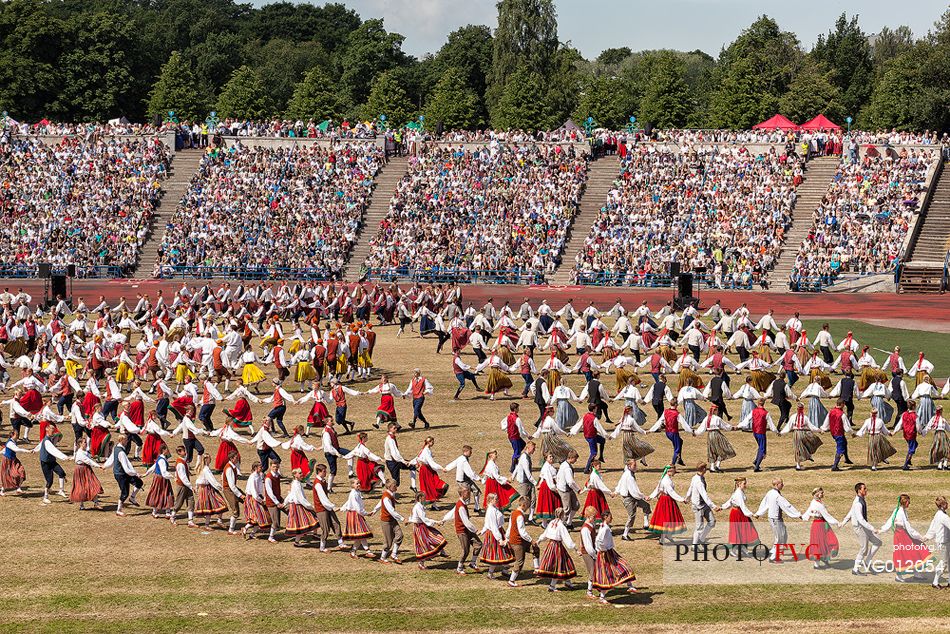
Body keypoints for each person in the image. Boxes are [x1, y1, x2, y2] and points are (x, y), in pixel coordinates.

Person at [879, 493, 930, 582]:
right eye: (908, 502)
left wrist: (881, 530)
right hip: (901, 536)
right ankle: (899, 576)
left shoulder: (899, 510)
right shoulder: (901, 512)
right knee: (902, 554)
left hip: (903, 534)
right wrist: (919, 536)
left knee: (913, 552)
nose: (909, 504)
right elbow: (907, 527)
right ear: (905, 502)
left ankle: (916, 573)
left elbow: (890, 521)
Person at [592, 510, 637, 603]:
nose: (611, 518)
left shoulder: (604, 526)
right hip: (605, 553)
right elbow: (599, 540)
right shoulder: (604, 528)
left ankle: (630, 585)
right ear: (605, 517)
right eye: (610, 517)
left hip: (610, 551)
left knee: (623, 565)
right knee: (606, 574)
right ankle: (602, 597)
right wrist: (603, 550)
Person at [753, 478, 801, 562]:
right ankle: (773, 557)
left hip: (773, 519)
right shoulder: (777, 496)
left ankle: (773, 551)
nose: (783, 485)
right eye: (781, 483)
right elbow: (787, 506)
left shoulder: (770, 493)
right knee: (780, 538)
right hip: (776, 519)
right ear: (776, 485)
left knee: (782, 535)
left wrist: (758, 513)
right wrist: (798, 514)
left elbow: (764, 503)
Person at [841, 482, 882, 575]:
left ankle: (867, 562)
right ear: (859, 490)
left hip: (864, 526)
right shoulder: (858, 503)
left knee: (878, 542)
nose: (866, 490)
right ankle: (855, 569)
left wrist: (843, 522)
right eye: (864, 489)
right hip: (860, 528)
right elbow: (860, 519)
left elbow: (850, 512)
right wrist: (872, 528)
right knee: (864, 549)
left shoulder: (860, 500)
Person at [535, 507, 576, 592]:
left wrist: (539, 540)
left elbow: (545, 534)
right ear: (562, 515)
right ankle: (552, 586)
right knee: (558, 566)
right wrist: (575, 548)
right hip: (557, 546)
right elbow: (567, 539)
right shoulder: (561, 525)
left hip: (551, 545)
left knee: (565, 563)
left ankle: (568, 582)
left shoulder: (551, 522)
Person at [103, 433, 143, 516]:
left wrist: (105, 466)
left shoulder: (116, 448)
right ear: (122, 440)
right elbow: (126, 468)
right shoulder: (121, 452)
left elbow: (112, 459)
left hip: (123, 473)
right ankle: (119, 510)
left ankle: (132, 498)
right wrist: (136, 473)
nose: (128, 441)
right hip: (121, 474)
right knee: (124, 493)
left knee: (139, 483)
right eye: (126, 440)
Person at [445, 486, 481, 575]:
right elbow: (465, 521)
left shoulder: (462, 504)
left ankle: (472, 563)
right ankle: (459, 568)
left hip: (467, 530)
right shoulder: (460, 506)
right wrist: (475, 530)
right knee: (465, 551)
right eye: (467, 492)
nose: (469, 493)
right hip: (462, 531)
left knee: (478, 544)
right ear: (462, 494)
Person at [801, 487, 840, 569]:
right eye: (821, 493)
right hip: (819, 524)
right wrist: (836, 522)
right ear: (817, 494)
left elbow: (808, 512)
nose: (823, 494)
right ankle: (817, 563)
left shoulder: (815, 502)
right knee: (819, 542)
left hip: (821, 523)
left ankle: (824, 557)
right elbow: (826, 515)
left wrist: (804, 517)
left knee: (827, 539)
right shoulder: (817, 504)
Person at [647, 465, 687, 542]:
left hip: (666, 500)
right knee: (665, 518)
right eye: (674, 471)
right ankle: (662, 539)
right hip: (666, 501)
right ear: (670, 471)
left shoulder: (665, 478)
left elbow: (657, 489)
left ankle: (668, 535)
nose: (675, 473)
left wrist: (651, 496)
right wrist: (682, 499)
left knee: (668, 519)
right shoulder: (666, 480)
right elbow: (671, 492)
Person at [408, 492, 448, 569]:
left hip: (422, 526)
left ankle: (441, 552)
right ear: (420, 498)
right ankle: (421, 563)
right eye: (424, 497)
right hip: (420, 528)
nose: (425, 498)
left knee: (436, 536)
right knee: (423, 545)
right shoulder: (418, 507)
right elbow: (424, 519)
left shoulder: (419, 506)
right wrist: (436, 522)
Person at [479, 492, 515, 579]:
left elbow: (488, 524)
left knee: (505, 552)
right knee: (496, 554)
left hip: (498, 532)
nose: (497, 500)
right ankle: (491, 573)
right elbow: (493, 526)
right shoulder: (491, 510)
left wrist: (482, 531)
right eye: (495, 499)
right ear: (491, 500)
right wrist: (499, 539)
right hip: (494, 534)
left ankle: (504, 570)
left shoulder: (494, 508)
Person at [506, 496, 539, 587]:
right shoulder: (520, 516)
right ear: (524, 505)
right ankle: (511, 580)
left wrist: (507, 538)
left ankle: (537, 569)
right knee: (520, 561)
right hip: (518, 542)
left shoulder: (513, 513)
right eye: (527, 506)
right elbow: (522, 532)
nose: (528, 508)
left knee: (535, 548)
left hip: (516, 541)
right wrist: (531, 540)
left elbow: (509, 528)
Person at [614, 459, 651, 539]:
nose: (636, 467)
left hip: (633, 497)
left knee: (646, 506)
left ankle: (646, 524)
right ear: (629, 466)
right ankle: (625, 534)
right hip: (628, 498)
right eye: (634, 465)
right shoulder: (629, 476)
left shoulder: (627, 473)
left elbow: (620, 483)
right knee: (632, 516)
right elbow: (634, 491)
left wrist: (616, 491)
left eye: (635, 465)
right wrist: (644, 496)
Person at [692, 405, 735, 472]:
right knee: (722, 448)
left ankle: (712, 467)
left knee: (712, 450)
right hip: (716, 434)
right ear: (715, 411)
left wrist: (696, 433)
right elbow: (724, 426)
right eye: (717, 410)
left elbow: (702, 428)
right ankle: (717, 465)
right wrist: (732, 428)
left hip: (710, 435)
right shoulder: (717, 418)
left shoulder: (706, 418)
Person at [311, 464, 344, 552]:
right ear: (319, 472)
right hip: (321, 509)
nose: (326, 473)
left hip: (327, 507)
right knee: (325, 529)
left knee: (336, 523)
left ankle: (341, 543)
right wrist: (333, 507)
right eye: (324, 471)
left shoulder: (323, 481)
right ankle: (322, 547)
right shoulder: (318, 484)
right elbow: (323, 499)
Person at [781, 402, 823, 471]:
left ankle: (799, 464)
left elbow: (788, 427)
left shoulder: (793, 417)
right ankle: (808, 455)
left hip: (797, 434)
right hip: (804, 433)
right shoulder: (805, 417)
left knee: (798, 449)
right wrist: (819, 430)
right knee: (811, 442)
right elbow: (812, 427)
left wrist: (781, 433)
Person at [284, 467, 319, 546]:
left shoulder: (296, 483)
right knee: (303, 524)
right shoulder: (296, 484)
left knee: (310, 521)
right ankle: (297, 541)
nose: (301, 474)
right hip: (298, 506)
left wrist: (284, 503)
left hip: (298, 505)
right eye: (299, 473)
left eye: (301, 473)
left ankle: (314, 534)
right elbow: (300, 498)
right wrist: (310, 506)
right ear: (295, 475)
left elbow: (291, 494)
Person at [721, 477, 758, 551]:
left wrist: (722, 507)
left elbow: (730, 501)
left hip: (740, 513)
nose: (745, 485)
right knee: (739, 530)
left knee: (743, 530)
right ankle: (736, 550)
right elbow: (742, 505)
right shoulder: (738, 493)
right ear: (739, 484)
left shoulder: (739, 491)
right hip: (737, 513)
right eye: (744, 483)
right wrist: (752, 514)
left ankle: (743, 549)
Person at [340, 479, 375, 559]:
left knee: (360, 535)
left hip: (357, 514)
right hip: (354, 515)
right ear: (352, 485)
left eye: (359, 483)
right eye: (357, 483)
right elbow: (356, 507)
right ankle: (367, 551)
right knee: (362, 534)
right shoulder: (353, 494)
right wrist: (366, 513)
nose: (358, 484)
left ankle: (353, 551)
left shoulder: (357, 492)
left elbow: (348, 502)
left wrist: (343, 507)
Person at [569, 404, 608, 474]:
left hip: (591, 435)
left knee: (602, 440)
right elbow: (600, 429)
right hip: (591, 437)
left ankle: (601, 456)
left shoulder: (585, 416)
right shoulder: (594, 418)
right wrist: (607, 435)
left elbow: (579, 424)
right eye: (596, 408)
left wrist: (572, 432)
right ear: (594, 409)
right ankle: (587, 469)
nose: (596, 410)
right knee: (593, 453)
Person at [34, 431, 69, 504]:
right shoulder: (47, 441)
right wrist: (64, 457)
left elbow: (41, 445)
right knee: (49, 481)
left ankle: (61, 491)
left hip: (52, 461)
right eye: (58, 438)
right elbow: (53, 451)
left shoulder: (50, 440)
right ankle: (45, 497)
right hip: (45, 463)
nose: (58, 440)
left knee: (61, 473)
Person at [374, 479, 405, 564]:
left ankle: (393, 554)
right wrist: (402, 519)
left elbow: (380, 503)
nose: (396, 487)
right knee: (388, 541)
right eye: (394, 485)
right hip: (386, 521)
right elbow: (391, 511)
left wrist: (374, 510)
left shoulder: (390, 494)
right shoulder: (386, 497)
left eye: (396, 485)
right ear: (389, 487)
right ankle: (382, 558)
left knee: (400, 535)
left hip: (392, 520)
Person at [70, 436, 105, 510]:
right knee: (81, 487)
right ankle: (82, 505)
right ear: (80, 444)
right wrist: (98, 466)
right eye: (84, 442)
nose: (86, 443)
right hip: (81, 470)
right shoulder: (80, 453)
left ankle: (96, 503)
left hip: (87, 469)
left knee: (94, 484)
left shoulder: (85, 452)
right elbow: (88, 461)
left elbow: (90, 458)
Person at [923, 496, 950, 588]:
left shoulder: (937, 514)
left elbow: (932, 528)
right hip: (943, 543)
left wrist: (927, 537)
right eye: (946, 503)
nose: (948, 504)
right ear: (942, 504)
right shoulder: (944, 517)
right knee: (944, 562)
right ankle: (935, 582)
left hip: (943, 542)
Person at [821, 400, 853, 471]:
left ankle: (847, 459)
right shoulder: (842, 414)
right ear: (842, 404)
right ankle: (835, 466)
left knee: (844, 443)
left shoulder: (831, 412)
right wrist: (852, 433)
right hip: (839, 433)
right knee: (840, 448)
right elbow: (847, 427)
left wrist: (823, 429)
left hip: (833, 433)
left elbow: (826, 421)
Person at [144, 444, 174, 518]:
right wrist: (172, 476)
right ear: (163, 450)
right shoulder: (161, 460)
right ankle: (155, 511)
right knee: (160, 493)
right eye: (167, 449)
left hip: (159, 478)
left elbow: (153, 467)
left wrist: (146, 474)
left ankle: (167, 511)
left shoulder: (160, 458)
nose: (168, 450)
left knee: (164, 493)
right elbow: (163, 472)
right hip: (161, 479)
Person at [170, 445, 196, 528]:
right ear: (179, 452)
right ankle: (172, 516)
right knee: (179, 502)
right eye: (183, 451)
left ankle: (190, 520)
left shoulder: (182, 461)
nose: (185, 452)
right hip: (182, 485)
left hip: (186, 485)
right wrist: (191, 486)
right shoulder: (180, 463)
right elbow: (183, 477)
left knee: (191, 501)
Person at [555, 450, 581, 527]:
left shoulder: (564, 464)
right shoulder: (567, 468)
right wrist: (578, 489)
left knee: (576, 505)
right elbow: (570, 482)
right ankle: (560, 525)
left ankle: (569, 522)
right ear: (571, 458)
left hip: (568, 489)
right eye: (575, 459)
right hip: (565, 490)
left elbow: (558, 476)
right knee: (566, 509)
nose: (576, 460)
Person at [502, 403, 529, 472]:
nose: (518, 409)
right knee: (517, 451)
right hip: (515, 436)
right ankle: (513, 467)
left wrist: (507, 429)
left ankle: (516, 458)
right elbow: (521, 429)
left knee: (522, 444)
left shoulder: (508, 416)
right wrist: (527, 436)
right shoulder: (517, 419)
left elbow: (503, 424)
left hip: (511, 436)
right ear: (515, 409)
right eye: (518, 408)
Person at [894, 401, 920, 470]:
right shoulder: (915, 416)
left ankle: (909, 459)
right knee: (911, 448)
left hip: (906, 434)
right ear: (914, 407)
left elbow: (900, 424)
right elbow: (918, 426)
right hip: (912, 434)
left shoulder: (904, 414)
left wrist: (895, 432)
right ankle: (906, 464)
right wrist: (920, 432)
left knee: (915, 444)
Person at [925, 405, 950, 470]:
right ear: (941, 411)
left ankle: (941, 464)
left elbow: (928, 426)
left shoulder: (933, 419)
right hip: (943, 435)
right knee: (946, 449)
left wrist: (923, 433)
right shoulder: (943, 419)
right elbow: (948, 428)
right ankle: (943, 464)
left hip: (937, 435)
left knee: (938, 449)